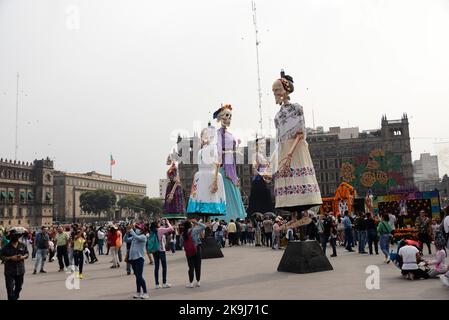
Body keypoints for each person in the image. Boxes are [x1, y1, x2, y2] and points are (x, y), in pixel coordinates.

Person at [272, 70, 322, 217]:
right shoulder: (278, 115)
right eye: (273, 91)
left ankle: (304, 215)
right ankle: (294, 217)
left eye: (277, 90)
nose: (275, 93)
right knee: (288, 186)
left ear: (286, 90)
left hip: (295, 149)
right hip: (284, 149)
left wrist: (289, 153)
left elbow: (300, 134)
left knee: (298, 178)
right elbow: (278, 140)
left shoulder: (296, 109)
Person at [214, 104, 246, 222]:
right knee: (226, 188)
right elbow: (218, 147)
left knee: (233, 187)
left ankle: (237, 215)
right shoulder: (219, 134)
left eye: (230, 116)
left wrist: (236, 145)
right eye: (227, 115)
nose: (229, 118)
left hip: (231, 162)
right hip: (224, 163)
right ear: (221, 117)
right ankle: (226, 216)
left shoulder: (229, 134)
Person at [0, 229, 29, 300]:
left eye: (17, 236)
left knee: (19, 287)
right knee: (9, 288)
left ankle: (15, 297)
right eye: (14, 236)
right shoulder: (5, 247)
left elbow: (27, 254)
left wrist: (23, 257)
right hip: (9, 271)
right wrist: (10, 258)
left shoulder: (23, 245)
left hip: (20, 270)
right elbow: (1, 256)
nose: (16, 237)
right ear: (10, 237)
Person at [125, 223, 149, 299]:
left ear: (142, 230)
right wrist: (126, 233)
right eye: (137, 228)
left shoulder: (143, 237)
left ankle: (145, 292)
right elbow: (125, 240)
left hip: (139, 259)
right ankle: (138, 292)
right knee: (137, 276)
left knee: (139, 276)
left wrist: (131, 231)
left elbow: (136, 237)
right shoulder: (135, 236)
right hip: (133, 259)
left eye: (138, 228)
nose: (137, 229)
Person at [183, 219, 206, 288]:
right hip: (197, 249)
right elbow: (204, 226)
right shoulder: (194, 230)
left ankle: (191, 283)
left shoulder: (184, 233)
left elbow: (181, 243)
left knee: (191, 267)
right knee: (198, 266)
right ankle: (198, 282)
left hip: (188, 251)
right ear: (191, 224)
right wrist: (196, 222)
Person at [151, 219, 174, 289]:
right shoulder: (160, 230)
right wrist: (168, 222)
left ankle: (157, 284)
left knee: (156, 267)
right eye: (158, 223)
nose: (159, 224)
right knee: (164, 267)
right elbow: (171, 229)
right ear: (156, 225)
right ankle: (164, 283)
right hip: (161, 250)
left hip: (154, 251)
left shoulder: (151, 231)